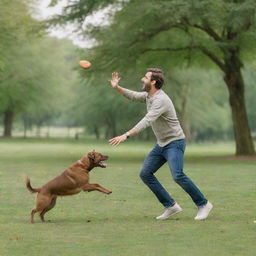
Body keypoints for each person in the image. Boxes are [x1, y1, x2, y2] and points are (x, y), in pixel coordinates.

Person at [108, 68, 213, 220]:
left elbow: (147, 120)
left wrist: (126, 135)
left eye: (145, 77)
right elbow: (132, 95)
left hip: (175, 142)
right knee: (145, 173)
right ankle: (170, 206)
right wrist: (117, 87)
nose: (142, 79)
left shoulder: (161, 100)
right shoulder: (148, 96)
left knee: (177, 175)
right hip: (162, 144)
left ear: (153, 82)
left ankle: (203, 204)